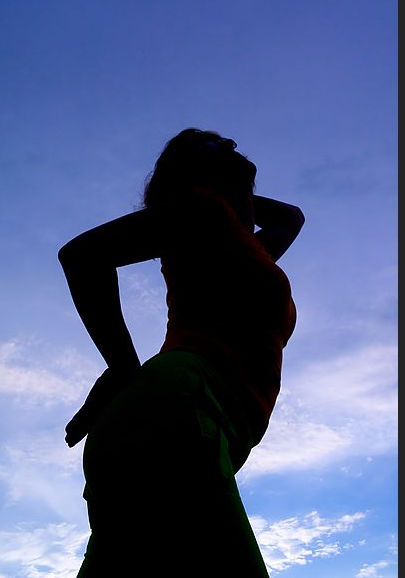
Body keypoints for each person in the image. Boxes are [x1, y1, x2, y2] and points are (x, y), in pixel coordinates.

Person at [58, 128, 305, 577]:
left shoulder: (239, 244)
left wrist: (234, 189)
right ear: (192, 172)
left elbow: (291, 217)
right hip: (183, 410)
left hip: (166, 424)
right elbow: (82, 255)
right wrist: (122, 368)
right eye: (214, 145)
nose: (231, 145)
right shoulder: (200, 211)